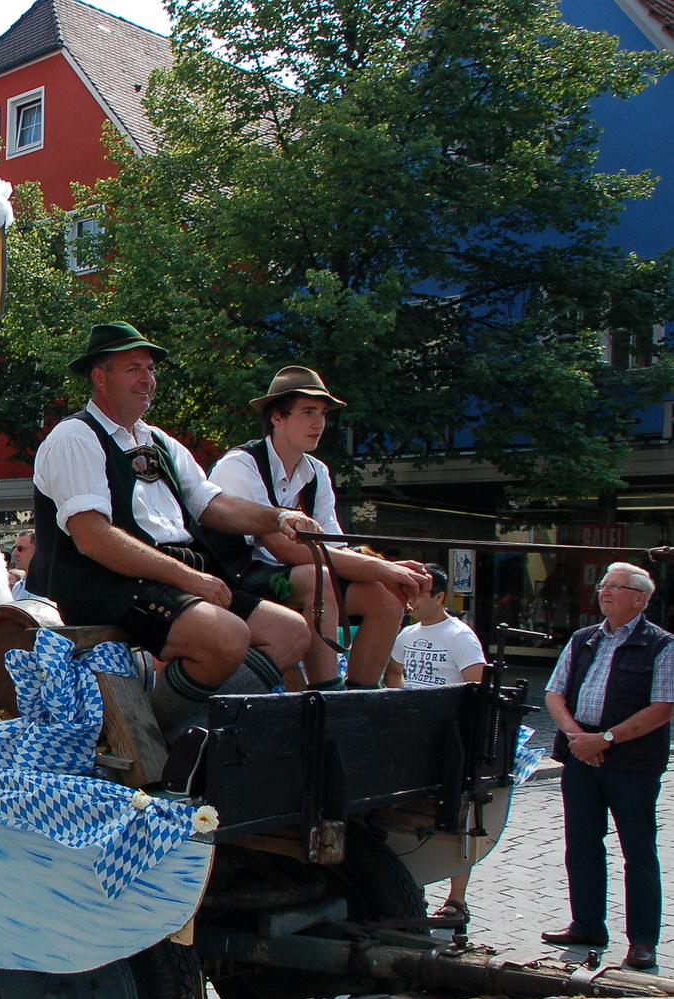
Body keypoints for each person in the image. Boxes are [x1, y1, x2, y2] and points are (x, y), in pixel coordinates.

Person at [27, 322, 319, 731]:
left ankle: (193, 730)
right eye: (133, 368)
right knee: (226, 637)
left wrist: (280, 518)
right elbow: (94, 539)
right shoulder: (74, 436)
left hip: (170, 578)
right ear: (99, 376)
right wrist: (191, 578)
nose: (147, 379)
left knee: (290, 632)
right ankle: (155, 737)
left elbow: (213, 504)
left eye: (150, 369)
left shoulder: (158, 440)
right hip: (107, 583)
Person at [208, 367, 428, 690]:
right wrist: (381, 567)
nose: (319, 424)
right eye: (308, 412)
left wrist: (386, 572)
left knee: (387, 596)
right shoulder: (239, 465)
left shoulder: (317, 473)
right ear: (277, 418)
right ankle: (325, 697)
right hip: (233, 581)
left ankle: (360, 698)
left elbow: (333, 547)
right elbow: (283, 548)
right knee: (320, 578)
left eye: (323, 414)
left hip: (290, 579)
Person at [541, 562, 672, 971]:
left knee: (638, 851)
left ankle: (643, 941)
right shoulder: (583, 640)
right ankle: (587, 924)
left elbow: (663, 707)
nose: (605, 592)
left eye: (616, 587)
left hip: (631, 763)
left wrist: (607, 739)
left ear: (640, 598)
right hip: (582, 756)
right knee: (581, 844)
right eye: (603, 585)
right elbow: (554, 693)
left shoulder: (662, 644)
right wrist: (579, 739)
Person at [384, 564, 487, 923]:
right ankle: (414, 887)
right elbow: (393, 671)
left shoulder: (459, 636)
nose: (411, 601)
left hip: (450, 740)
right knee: (410, 814)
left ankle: (457, 900)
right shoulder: (406, 634)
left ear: (439, 597)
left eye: (419, 594)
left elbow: (476, 685)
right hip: (414, 738)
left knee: (457, 817)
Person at [9, 530, 36, 595]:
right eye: (14, 548)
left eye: (20, 549)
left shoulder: (48, 587)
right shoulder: (17, 587)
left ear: (36, 551)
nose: (14, 554)